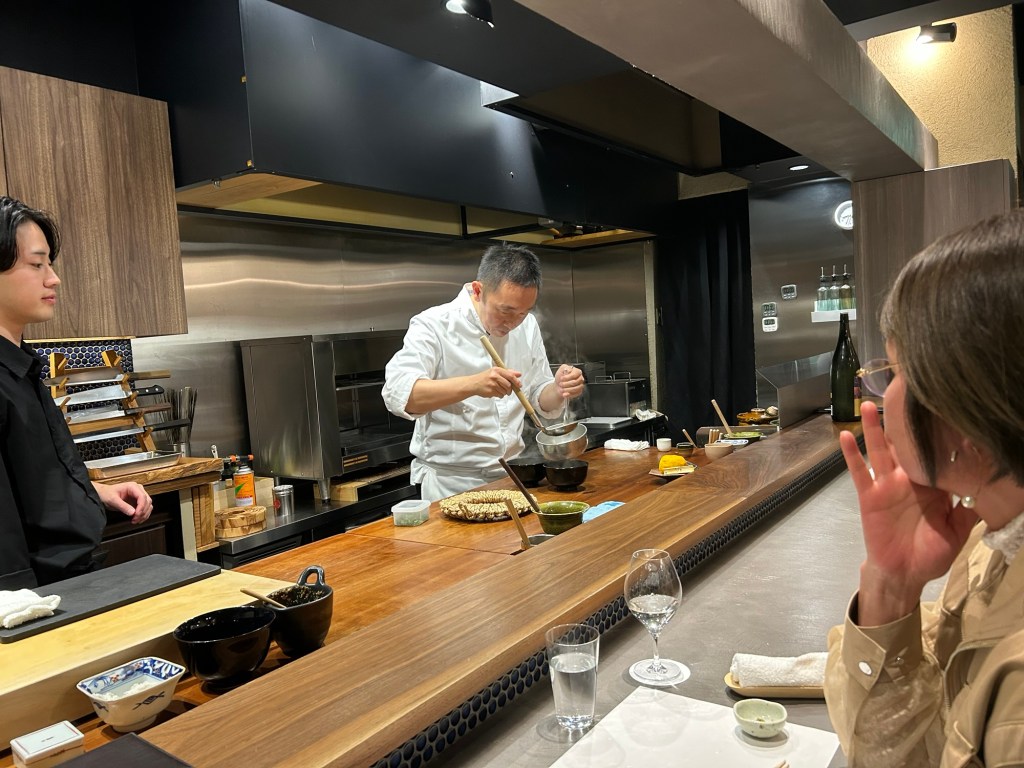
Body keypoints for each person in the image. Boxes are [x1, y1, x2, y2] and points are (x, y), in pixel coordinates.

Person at [824, 209, 1024, 766]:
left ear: (966, 406)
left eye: (896, 372)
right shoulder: (990, 542)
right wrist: (891, 585)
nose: (879, 396)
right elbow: (921, 746)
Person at [0, 196, 153, 590]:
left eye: (50, 264)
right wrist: (22, 609)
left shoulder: (23, 365)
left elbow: (32, 479)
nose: (53, 279)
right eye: (37, 264)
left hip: (70, 582)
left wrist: (95, 492)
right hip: (37, 596)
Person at [383, 243, 585, 502]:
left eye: (523, 313)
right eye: (505, 311)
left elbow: (538, 394)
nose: (513, 323)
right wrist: (473, 384)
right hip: (451, 484)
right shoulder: (434, 324)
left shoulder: (527, 326)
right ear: (478, 291)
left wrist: (557, 390)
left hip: (513, 477)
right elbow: (399, 395)